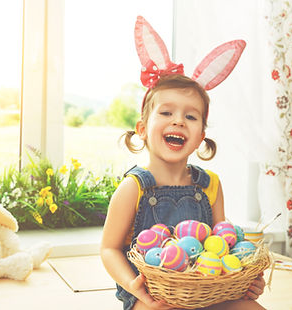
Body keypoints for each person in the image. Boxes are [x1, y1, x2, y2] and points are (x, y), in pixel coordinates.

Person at [100, 16, 266, 310]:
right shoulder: (133, 188)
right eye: (166, 113)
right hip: (153, 297)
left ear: (201, 135)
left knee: (250, 308)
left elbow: (223, 241)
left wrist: (245, 275)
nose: (178, 120)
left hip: (207, 290)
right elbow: (109, 249)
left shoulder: (210, 184)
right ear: (142, 128)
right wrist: (132, 286)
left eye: (191, 116)